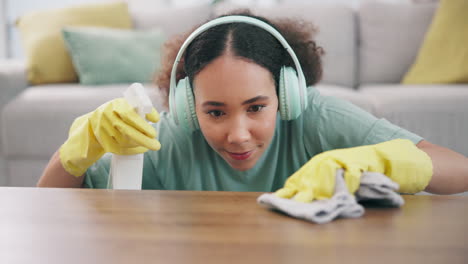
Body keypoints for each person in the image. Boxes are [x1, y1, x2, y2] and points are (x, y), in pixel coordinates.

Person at [38, 10, 468, 200]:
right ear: (188, 106)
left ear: (287, 95)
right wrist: (73, 153)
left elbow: (459, 170)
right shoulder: (169, 135)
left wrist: (387, 161)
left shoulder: (318, 117)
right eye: (216, 111)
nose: (239, 134)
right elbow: (48, 202)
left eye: (257, 107)